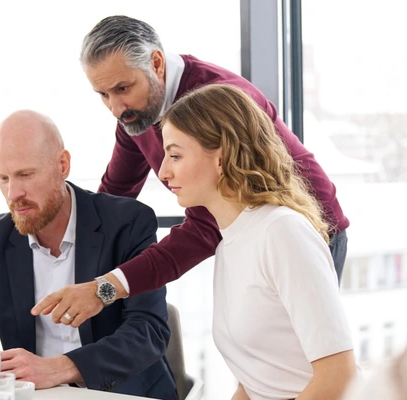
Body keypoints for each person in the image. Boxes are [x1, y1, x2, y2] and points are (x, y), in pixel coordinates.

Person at [32, 15, 350, 328]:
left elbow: (203, 228)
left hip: (306, 232)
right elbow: (116, 190)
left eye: (123, 88)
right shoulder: (136, 114)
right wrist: (63, 245)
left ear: (156, 64)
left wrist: (104, 288)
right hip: (243, 236)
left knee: (291, 364)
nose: (115, 108)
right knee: (257, 358)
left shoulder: (217, 102)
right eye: (103, 95)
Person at [0, 110, 177, 399]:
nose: (13, 193)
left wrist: (57, 369)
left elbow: (148, 332)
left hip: (123, 394)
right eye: (3, 178)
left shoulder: (127, 223)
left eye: (25, 175)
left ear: (62, 165)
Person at [166, 84, 356, 398]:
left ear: (221, 157)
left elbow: (338, 375)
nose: (163, 171)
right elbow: (254, 381)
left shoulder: (282, 232)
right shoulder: (229, 245)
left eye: (175, 155)